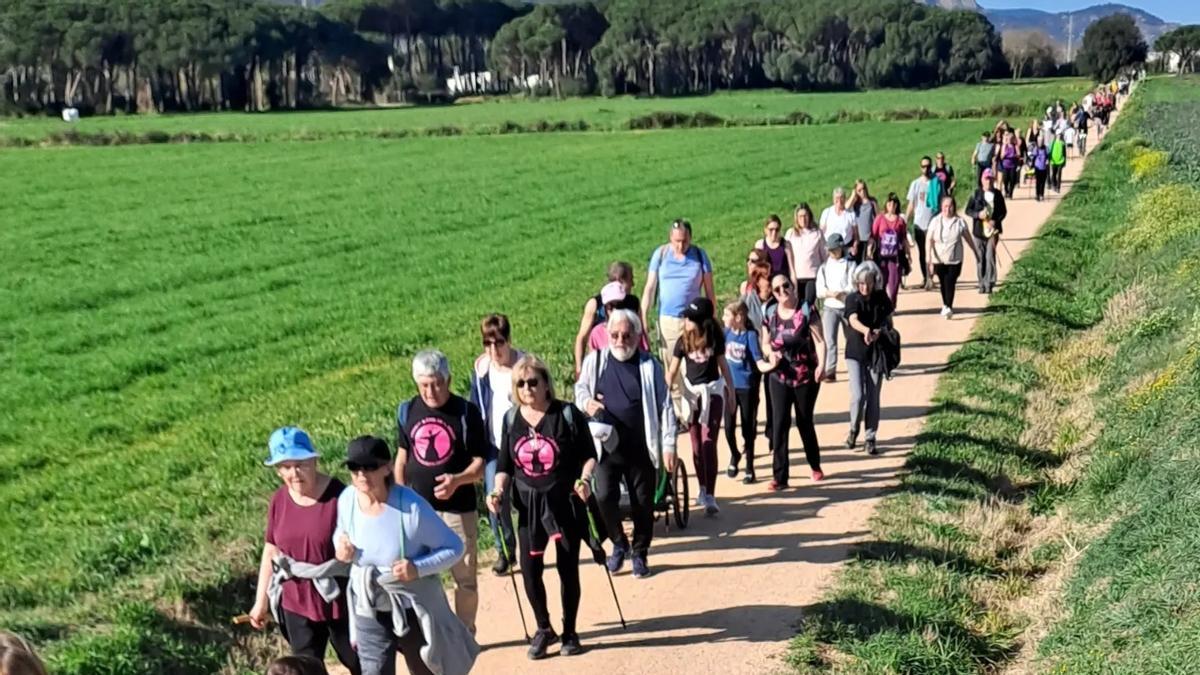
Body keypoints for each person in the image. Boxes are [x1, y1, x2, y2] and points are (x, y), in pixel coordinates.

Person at [334, 436, 477, 675]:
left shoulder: (411, 508)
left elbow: (454, 547)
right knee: (374, 671)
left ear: (388, 467)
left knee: (425, 669)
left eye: (370, 467)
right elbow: (341, 532)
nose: (361, 474)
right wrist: (342, 548)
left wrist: (417, 568)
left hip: (412, 607)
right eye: (354, 468)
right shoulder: (347, 499)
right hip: (368, 604)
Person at [488, 355, 597, 660]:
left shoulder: (567, 415)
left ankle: (570, 630)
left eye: (533, 382)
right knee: (530, 569)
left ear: (546, 384)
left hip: (563, 504)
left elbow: (589, 455)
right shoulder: (511, 420)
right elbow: (505, 465)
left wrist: (585, 479)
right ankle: (543, 627)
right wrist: (497, 490)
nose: (527, 388)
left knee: (567, 569)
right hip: (529, 508)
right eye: (521, 383)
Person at [246, 427, 359, 674]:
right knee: (305, 669)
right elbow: (271, 550)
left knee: (359, 662)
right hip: (296, 599)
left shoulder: (340, 496)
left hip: (340, 597)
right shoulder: (279, 500)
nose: (294, 473)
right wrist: (261, 601)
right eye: (285, 467)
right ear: (277, 470)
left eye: (300, 464)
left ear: (314, 460)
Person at [575, 309, 678, 579]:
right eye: (615, 335)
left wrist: (669, 445)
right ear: (607, 335)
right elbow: (580, 390)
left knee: (643, 503)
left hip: (641, 447)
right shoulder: (595, 361)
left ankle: (640, 552)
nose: (620, 340)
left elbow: (666, 405)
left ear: (637, 336)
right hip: (605, 450)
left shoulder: (649, 365)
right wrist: (587, 402)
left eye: (626, 335)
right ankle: (619, 544)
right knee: (605, 497)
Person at [395, 350, 485, 635]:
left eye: (436, 383)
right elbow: (401, 457)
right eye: (424, 385)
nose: (430, 391)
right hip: (419, 510)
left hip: (459, 509)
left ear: (448, 380)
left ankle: (465, 631)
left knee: (465, 577)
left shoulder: (466, 412)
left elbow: (481, 464)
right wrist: (399, 495)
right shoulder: (407, 410)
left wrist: (458, 480)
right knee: (424, 576)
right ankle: (435, 632)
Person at [666, 297, 734, 515]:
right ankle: (702, 488)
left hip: (712, 393)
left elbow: (724, 367)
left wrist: (730, 393)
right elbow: (673, 371)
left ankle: (711, 495)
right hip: (692, 397)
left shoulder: (715, 338)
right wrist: (664, 393)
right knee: (695, 445)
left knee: (708, 442)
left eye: (690, 318)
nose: (686, 321)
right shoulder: (682, 341)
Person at [641, 219, 715, 419]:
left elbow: (709, 291)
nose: (680, 245)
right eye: (676, 241)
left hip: (694, 322)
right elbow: (650, 287)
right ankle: (678, 415)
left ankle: (693, 411)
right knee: (671, 369)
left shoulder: (700, 256)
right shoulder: (661, 255)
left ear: (690, 237)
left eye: (684, 241)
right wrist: (643, 315)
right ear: (670, 239)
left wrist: (712, 319)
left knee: (691, 369)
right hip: (668, 321)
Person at [757, 275, 825, 489]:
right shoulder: (769, 312)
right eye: (776, 289)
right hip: (779, 375)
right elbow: (765, 343)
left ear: (792, 286)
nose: (782, 291)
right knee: (779, 424)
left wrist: (823, 365)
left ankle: (815, 465)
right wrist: (770, 355)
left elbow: (820, 341)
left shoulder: (806, 310)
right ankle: (780, 477)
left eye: (785, 286)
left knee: (804, 421)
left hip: (805, 375)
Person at [468, 314, 522, 576]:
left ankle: (536, 542)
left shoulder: (523, 367)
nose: (493, 349)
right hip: (493, 447)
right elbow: (476, 410)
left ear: (508, 340)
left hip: (523, 444)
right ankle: (505, 550)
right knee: (494, 499)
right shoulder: (481, 372)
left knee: (528, 500)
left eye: (498, 342)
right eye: (487, 343)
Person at [844, 262, 894, 456]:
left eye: (868, 283)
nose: (864, 287)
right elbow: (853, 319)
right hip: (855, 353)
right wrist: (866, 330)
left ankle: (870, 437)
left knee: (873, 396)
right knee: (858, 395)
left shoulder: (882, 298)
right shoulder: (852, 298)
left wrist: (880, 332)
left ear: (875, 282)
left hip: (876, 353)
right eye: (861, 283)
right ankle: (853, 428)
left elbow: (889, 323)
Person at [573, 262, 638, 379]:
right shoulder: (595, 304)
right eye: (630, 279)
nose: (633, 284)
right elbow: (581, 338)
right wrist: (579, 369)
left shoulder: (633, 302)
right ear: (620, 280)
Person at [722, 301, 763, 484]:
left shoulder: (750, 336)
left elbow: (758, 359)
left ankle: (749, 467)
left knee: (748, 428)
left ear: (738, 318)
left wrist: (770, 365)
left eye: (726, 315)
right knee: (729, 428)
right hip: (729, 388)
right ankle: (734, 455)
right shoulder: (726, 334)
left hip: (747, 388)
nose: (723, 318)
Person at [925, 196, 980, 319]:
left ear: (954, 207)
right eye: (945, 206)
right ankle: (946, 305)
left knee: (950, 282)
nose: (947, 209)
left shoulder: (959, 222)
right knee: (943, 283)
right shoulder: (935, 221)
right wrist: (928, 258)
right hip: (938, 258)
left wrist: (975, 251)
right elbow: (929, 239)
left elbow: (968, 237)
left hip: (955, 259)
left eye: (950, 206)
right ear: (941, 207)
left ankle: (948, 306)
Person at [815, 233, 855, 384]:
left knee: (850, 339)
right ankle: (830, 370)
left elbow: (853, 285)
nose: (832, 253)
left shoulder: (850, 264)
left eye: (835, 250)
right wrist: (830, 294)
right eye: (830, 250)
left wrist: (843, 293)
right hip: (830, 307)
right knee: (829, 340)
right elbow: (819, 290)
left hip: (846, 307)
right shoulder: (824, 268)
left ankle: (853, 367)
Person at [966, 170, 1007, 295]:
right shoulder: (976, 194)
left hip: (992, 232)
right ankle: (981, 283)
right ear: (982, 180)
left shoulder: (998, 194)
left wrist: (995, 220)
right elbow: (968, 210)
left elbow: (1003, 211)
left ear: (993, 180)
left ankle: (989, 283)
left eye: (990, 179)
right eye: (986, 178)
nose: (988, 181)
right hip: (978, 232)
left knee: (989, 257)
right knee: (980, 258)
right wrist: (978, 214)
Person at [871, 193, 909, 306]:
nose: (891, 205)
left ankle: (892, 304)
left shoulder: (900, 221)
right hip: (881, 257)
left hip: (895, 258)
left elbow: (903, 238)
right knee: (881, 282)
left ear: (897, 205)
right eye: (889, 203)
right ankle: (882, 306)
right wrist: (870, 250)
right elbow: (873, 236)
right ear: (886, 205)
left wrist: (908, 254)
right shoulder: (880, 219)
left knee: (894, 283)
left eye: (894, 203)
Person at [588, 282, 649, 352]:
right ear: (605, 309)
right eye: (610, 306)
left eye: (619, 306)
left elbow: (644, 355)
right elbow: (593, 360)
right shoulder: (597, 333)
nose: (615, 310)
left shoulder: (634, 330)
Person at [905, 157, 938, 290]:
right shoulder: (916, 184)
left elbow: (942, 201)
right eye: (924, 166)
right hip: (919, 223)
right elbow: (911, 204)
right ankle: (926, 278)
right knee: (923, 253)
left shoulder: (936, 183)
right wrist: (905, 220)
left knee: (934, 252)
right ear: (920, 168)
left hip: (933, 223)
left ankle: (931, 277)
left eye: (928, 166)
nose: (926, 168)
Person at [786, 203, 825, 307]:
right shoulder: (790, 234)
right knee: (797, 305)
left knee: (807, 305)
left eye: (805, 216)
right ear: (796, 218)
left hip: (812, 276)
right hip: (796, 277)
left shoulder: (817, 233)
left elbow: (824, 256)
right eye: (800, 216)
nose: (803, 219)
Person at [820, 187, 859, 260]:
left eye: (841, 198)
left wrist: (855, 247)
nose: (839, 201)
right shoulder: (826, 213)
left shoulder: (850, 214)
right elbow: (821, 233)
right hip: (830, 250)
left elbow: (856, 235)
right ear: (833, 199)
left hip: (846, 249)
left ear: (845, 199)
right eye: (837, 198)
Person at [753, 215, 796, 282]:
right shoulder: (760, 245)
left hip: (783, 283)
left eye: (777, 230)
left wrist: (795, 289)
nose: (774, 233)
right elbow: (756, 269)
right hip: (767, 283)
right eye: (771, 230)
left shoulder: (786, 245)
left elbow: (792, 270)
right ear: (765, 230)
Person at [846, 180, 878, 263]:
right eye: (859, 190)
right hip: (858, 240)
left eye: (863, 189)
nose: (862, 192)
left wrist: (873, 237)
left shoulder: (872, 202)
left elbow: (877, 219)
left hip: (869, 239)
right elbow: (846, 208)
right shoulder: (855, 204)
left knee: (870, 264)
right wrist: (853, 195)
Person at [999, 132, 1020, 199]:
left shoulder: (1015, 146)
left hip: (1013, 165)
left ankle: (1010, 193)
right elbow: (1001, 156)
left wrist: (1014, 155)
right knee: (1005, 179)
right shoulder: (1004, 146)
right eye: (1008, 139)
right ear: (1007, 139)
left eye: (1011, 138)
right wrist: (1005, 154)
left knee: (1012, 179)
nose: (1010, 140)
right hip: (1005, 165)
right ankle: (1006, 190)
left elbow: (1019, 154)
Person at [1033, 137, 1050, 202]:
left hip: (1044, 167)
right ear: (1037, 141)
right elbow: (1034, 157)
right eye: (1039, 141)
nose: (1040, 142)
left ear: (1043, 141)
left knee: (1043, 182)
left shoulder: (1046, 148)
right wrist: (1032, 166)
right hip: (1037, 167)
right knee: (1038, 182)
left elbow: (1048, 156)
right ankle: (1037, 195)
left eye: (1041, 141)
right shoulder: (1036, 148)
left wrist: (1048, 160)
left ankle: (1042, 194)